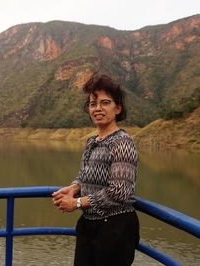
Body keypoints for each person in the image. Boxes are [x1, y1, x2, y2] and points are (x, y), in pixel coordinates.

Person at [52, 73, 139, 266]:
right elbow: (83, 176)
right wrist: (73, 188)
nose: (97, 108)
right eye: (93, 104)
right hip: (89, 224)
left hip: (115, 228)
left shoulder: (122, 142)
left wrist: (76, 203)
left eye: (105, 103)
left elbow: (120, 192)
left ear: (117, 108)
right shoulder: (92, 141)